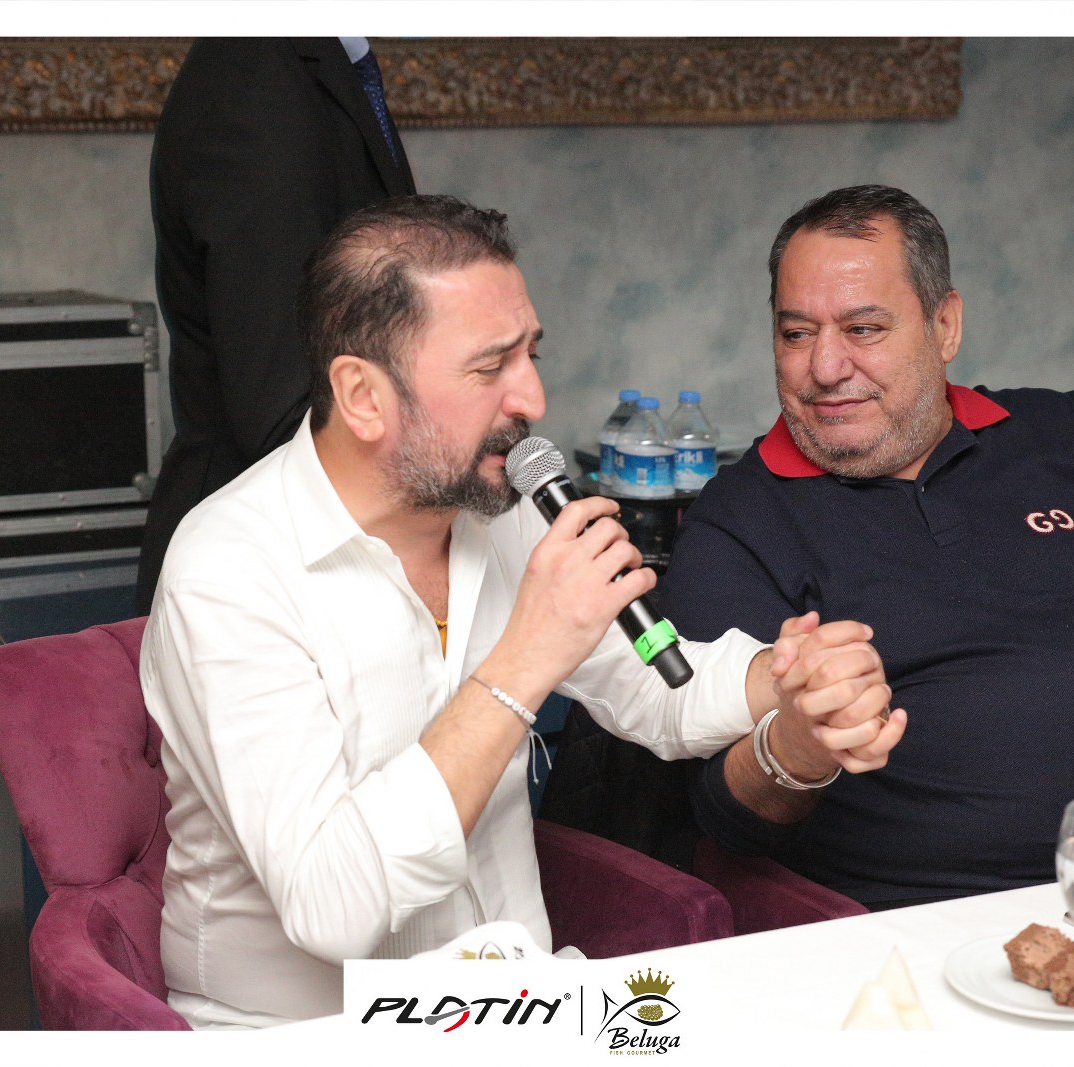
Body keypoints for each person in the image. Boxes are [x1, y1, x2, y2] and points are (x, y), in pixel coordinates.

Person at [138, 194, 907, 1028]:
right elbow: (333, 905)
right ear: (362, 395)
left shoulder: (501, 511)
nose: (532, 398)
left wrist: (783, 674)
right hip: (307, 1030)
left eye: (531, 353)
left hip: (511, 1005)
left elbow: (660, 693)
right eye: (489, 367)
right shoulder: (231, 569)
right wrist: (527, 656)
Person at [662, 184, 1074, 910]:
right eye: (797, 333)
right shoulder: (739, 521)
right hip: (952, 923)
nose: (826, 367)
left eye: (863, 328)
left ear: (945, 325)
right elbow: (722, 818)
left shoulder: (1062, 434)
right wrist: (795, 748)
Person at [135, 37, 418, 614]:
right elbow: (281, 402)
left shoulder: (322, 61)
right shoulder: (252, 77)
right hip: (259, 569)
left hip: (326, 542)